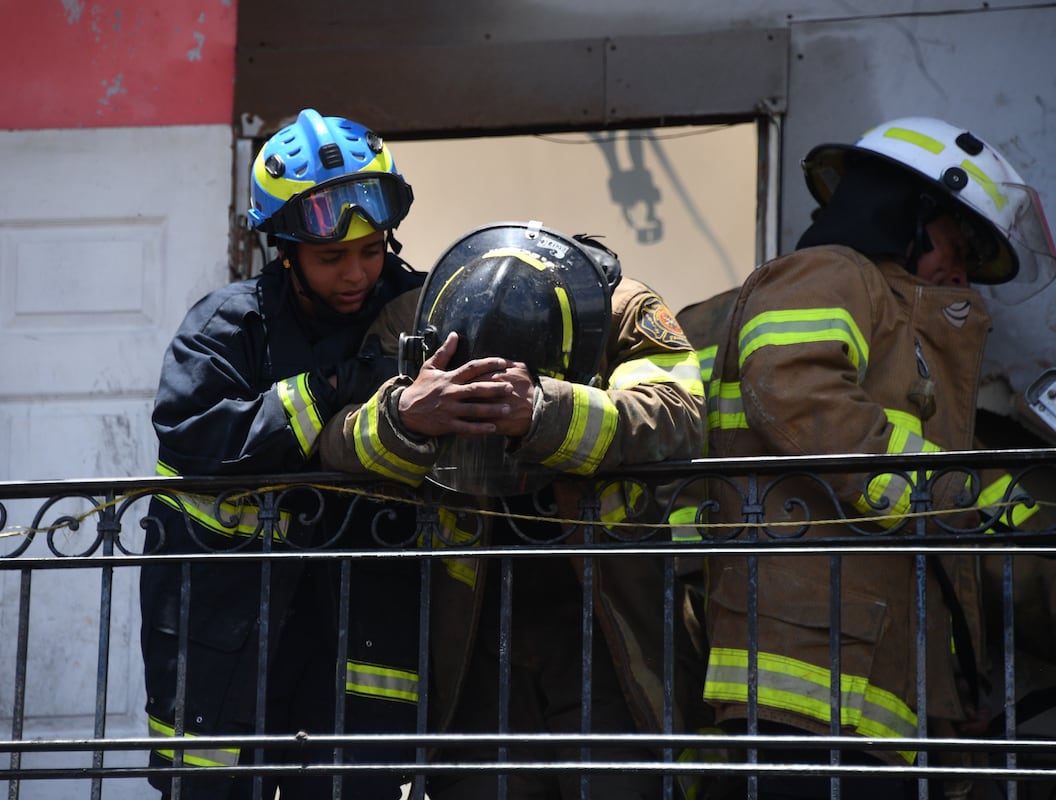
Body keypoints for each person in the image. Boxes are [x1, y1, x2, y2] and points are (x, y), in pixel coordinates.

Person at [698, 116, 1054, 799]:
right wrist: (934, 494)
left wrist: (953, 690)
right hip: (799, 693)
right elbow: (793, 386)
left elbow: (942, 544)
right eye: (957, 243)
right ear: (906, 211)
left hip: (872, 708)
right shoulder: (830, 272)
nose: (962, 272)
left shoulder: (903, 334)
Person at [318, 220, 707, 799]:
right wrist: (404, 415)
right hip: (473, 632)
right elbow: (333, 437)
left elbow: (678, 418)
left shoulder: (620, 310)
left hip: (603, 620)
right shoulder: (416, 316)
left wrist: (544, 411)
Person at [138, 108, 426, 799]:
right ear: (286, 250)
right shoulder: (228, 325)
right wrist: (333, 388)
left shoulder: (422, 313)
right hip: (229, 629)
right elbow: (195, 436)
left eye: (372, 250)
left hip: (362, 630)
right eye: (331, 258)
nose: (357, 273)